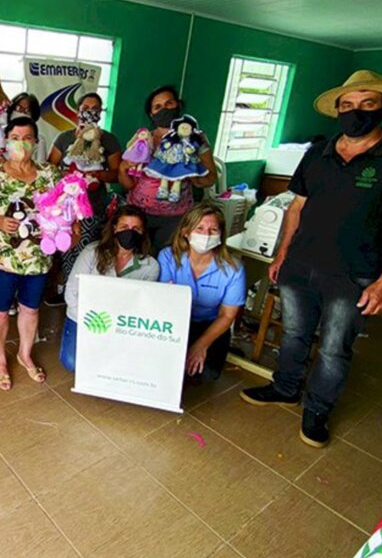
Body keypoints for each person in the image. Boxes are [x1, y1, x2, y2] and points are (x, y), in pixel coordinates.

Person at [240, 70, 382, 448]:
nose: (355, 112)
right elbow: (297, 208)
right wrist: (282, 254)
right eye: (347, 105)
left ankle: (318, 409)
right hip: (301, 264)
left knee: (334, 347)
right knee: (295, 333)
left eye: (366, 104)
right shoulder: (319, 154)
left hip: (354, 273)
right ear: (337, 111)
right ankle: (285, 387)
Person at [0, 116, 61, 390]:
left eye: (27, 138)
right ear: (6, 141)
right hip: (4, 259)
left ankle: (24, 354)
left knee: (30, 310)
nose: (21, 143)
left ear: (36, 142)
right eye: (15, 137)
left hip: (38, 258)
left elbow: (65, 209)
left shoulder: (50, 174)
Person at [61, 204, 159, 371]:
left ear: (143, 232)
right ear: (114, 229)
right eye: (124, 227)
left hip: (121, 323)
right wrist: (92, 322)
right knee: (72, 362)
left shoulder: (150, 265)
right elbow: (71, 292)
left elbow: (142, 305)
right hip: (85, 317)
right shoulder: (92, 252)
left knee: (122, 364)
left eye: (136, 228)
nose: (130, 232)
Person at [119, 85, 218, 249]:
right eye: (157, 107)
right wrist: (123, 168)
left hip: (176, 217)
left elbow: (210, 178)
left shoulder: (195, 139)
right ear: (151, 114)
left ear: (178, 105)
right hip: (139, 215)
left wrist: (189, 171)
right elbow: (128, 183)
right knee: (138, 259)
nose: (164, 109)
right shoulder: (143, 140)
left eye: (169, 103)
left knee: (166, 261)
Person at [158, 204, 246, 383]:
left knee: (203, 374)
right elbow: (162, 299)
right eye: (199, 228)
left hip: (209, 324)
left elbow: (227, 315)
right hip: (174, 320)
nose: (206, 235)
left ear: (221, 235)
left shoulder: (233, 269)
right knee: (166, 368)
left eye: (213, 230)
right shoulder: (168, 257)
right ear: (185, 231)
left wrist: (200, 346)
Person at [48, 92, 122, 304]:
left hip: (93, 205)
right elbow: (50, 169)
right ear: (77, 111)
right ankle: (65, 289)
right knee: (64, 247)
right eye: (85, 107)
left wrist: (95, 175)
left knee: (85, 248)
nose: (90, 111)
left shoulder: (108, 140)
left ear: (100, 112)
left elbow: (116, 173)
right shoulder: (64, 138)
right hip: (65, 206)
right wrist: (69, 176)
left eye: (95, 108)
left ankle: (82, 292)